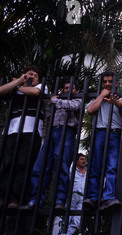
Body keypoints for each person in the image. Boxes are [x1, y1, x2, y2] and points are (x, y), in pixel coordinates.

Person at [24, 81, 82, 210]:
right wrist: (56, 99)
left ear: (76, 91)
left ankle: (60, 200)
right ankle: (36, 199)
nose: (68, 90)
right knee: (41, 166)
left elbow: (72, 106)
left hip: (67, 131)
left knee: (61, 165)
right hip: (52, 132)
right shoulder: (57, 100)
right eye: (65, 88)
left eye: (71, 88)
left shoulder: (78, 99)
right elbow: (48, 114)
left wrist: (55, 100)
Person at [0, 65, 47, 209]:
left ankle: (16, 198)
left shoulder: (41, 86)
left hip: (31, 131)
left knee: (23, 164)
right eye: (29, 74)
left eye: (35, 75)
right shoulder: (16, 85)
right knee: (7, 163)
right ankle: (3, 196)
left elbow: (34, 92)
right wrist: (19, 81)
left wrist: (17, 87)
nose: (32, 77)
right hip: (11, 131)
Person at [83, 71, 122, 211]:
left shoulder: (121, 96)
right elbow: (90, 110)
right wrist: (101, 95)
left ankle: (108, 197)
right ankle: (93, 197)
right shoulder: (97, 98)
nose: (107, 84)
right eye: (105, 81)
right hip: (100, 132)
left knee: (112, 166)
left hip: (114, 133)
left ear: (116, 84)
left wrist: (114, 101)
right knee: (95, 164)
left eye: (110, 81)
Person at [58, 153, 87, 235]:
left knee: (77, 219)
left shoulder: (87, 171)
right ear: (76, 161)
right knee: (68, 217)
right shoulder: (71, 171)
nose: (84, 161)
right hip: (73, 195)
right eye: (81, 159)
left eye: (85, 159)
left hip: (83, 197)